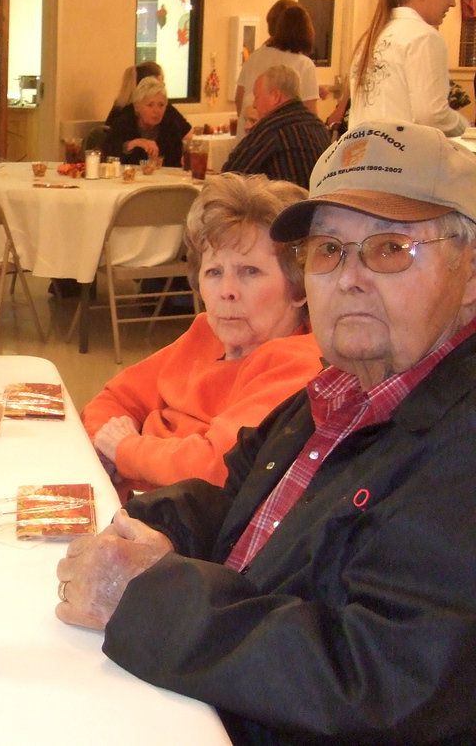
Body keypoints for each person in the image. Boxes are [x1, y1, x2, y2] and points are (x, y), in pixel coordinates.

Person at [56, 119, 476, 744]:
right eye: (328, 250)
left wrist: (149, 596)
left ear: (470, 274)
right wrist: (128, 528)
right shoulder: (335, 392)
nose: (349, 277)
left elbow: (382, 681)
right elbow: (232, 506)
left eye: (390, 248)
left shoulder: (459, 444)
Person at [83, 173, 321, 494]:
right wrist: (104, 446)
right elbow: (115, 399)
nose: (227, 291)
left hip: (175, 515)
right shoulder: (208, 333)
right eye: (214, 272)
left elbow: (216, 466)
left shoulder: (300, 364)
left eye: (250, 271)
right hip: (126, 491)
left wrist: (125, 450)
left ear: (300, 287)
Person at [349, 0, 467, 136]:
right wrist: (465, 129)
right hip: (400, 151)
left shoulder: (371, 36)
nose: (453, 3)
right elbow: (431, 114)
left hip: (361, 150)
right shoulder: (423, 37)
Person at [221, 64, 332, 188]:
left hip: (289, 200)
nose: (255, 105)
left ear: (276, 97)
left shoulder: (271, 129)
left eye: (257, 97)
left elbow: (230, 178)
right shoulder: (318, 125)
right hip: (322, 199)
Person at [235, 0, 319, 137]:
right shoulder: (304, 65)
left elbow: (239, 99)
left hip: (247, 141)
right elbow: (310, 118)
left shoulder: (254, 57)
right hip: (281, 143)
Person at [103, 76, 192, 167]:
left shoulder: (171, 127)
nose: (156, 111)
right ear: (137, 107)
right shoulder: (123, 124)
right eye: (150, 105)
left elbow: (175, 164)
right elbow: (108, 156)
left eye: (161, 105)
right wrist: (132, 144)